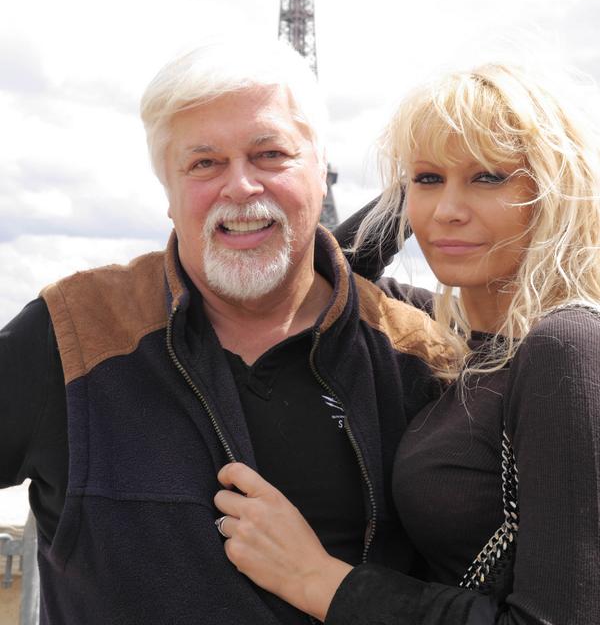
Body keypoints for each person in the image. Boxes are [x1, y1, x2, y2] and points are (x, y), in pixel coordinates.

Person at [0, 39, 452, 625]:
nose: (240, 186)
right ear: (168, 192)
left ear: (321, 172)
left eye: (270, 155)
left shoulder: (423, 357)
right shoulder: (74, 333)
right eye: (204, 163)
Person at [213, 61, 600, 624]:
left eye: (489, 177)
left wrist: (317, 580)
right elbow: (324, 276)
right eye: (428, 180)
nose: (448, 211)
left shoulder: (567, 348)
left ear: (554, 189)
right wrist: (417, 181)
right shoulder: (454, 335)